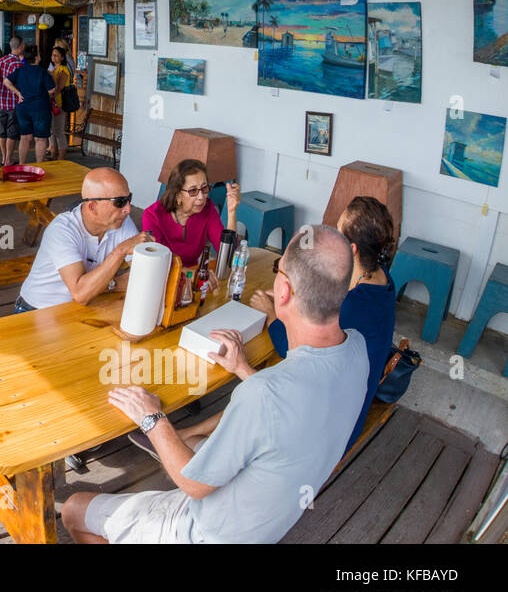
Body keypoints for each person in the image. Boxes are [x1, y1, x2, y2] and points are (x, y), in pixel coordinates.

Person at [62, 225, 368, 544]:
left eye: (278, 269)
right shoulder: (357, 348)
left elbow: (193, 484)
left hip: (206, 532)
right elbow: (290, 407)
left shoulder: (263, 394)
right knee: (195, 439)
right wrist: (244, 370)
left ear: (284, 291)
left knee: (73, 510)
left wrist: (151, 418)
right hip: (266, 521)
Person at [261, 196, 397, 452]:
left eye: (338, 232)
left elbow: (291, 348)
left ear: (352, 249)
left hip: (334, 424)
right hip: (348, 395)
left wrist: (273, 314)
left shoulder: (353, 307)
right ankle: (194, 431)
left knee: (262, 384)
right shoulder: (383, 279)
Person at [15, 168, 148, 312]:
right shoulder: (62, 230)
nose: (128, 209)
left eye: (129, 199)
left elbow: (144, 275)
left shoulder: (120, 220)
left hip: (81, 307)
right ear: (92, 207)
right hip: (36, 310)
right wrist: (120, 251)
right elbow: (80, 293)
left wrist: (107, 284)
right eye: (120, 202)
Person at [141, 158, 241, 267]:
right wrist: (189, 274)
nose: (201, 197)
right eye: (193, 191)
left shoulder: (207, 209)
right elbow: (154, 263)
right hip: (164, 276)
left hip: (192, 273)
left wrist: (231, 212)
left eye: (204, 188)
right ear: (178, 194)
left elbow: (228, 258)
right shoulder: (152, 216)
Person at [6, 45, 55, 165]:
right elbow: (52, 89)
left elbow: (6, 81)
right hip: (40, 108)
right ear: (37, 57)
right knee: (40, 139)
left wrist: (18, 93)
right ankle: (39, 165)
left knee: (25, 137)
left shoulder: (20, 70)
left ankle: (22, 164)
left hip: (23, 108)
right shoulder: (43, 72)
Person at [0, 36, 25, 165]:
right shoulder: (18, 64)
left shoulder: (1, 60)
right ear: (20, 47)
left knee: (2, 131)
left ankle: (3, 157)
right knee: (12, 132)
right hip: (13, 102)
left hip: (1, 102)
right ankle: (9, 159)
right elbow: (21, 83)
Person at [49, 46, 72, 160]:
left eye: (56, 55)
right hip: (53, 103)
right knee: (51, 130)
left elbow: (58, 89)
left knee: (59, 130)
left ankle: (61, 156)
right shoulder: (54, 69)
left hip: (60, 104)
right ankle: (53, 152)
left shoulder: (63, 70)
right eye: (53, 55)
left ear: (62, 57)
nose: (53, 57)